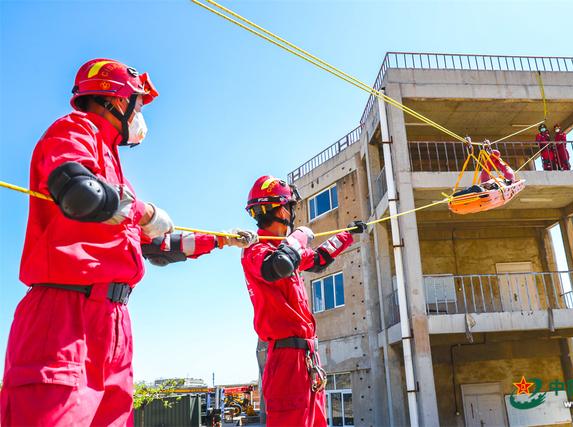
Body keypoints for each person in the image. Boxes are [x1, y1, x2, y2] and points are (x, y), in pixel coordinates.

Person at [0, 58, 255, 426]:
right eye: (138, 103)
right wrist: (146, 212)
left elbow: (157, 246)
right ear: (118, 100)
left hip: (114, 322)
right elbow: (80, 192)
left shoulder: (114, 170)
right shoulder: (73, 130)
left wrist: (220, 241)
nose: (140, 114)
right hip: (64, 316)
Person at [240, 176, 366, 427]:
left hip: (307, 358)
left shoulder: (286, 249)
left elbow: (318, 259)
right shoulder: (257, 250)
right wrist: (298, 236)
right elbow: (279, 265)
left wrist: (347, 235)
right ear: (283, 209)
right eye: (292, 207)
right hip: (286, 360)